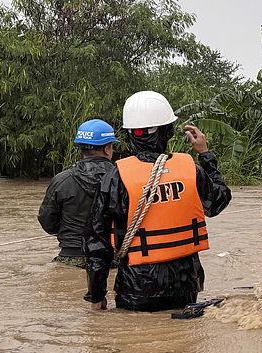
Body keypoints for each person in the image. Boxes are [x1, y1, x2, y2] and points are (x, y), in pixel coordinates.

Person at [83, 91, 231, 311]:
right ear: (169, 131)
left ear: (131, 135)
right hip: (186, 286)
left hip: (136, 288)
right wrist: (205, 155)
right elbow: (219, 201)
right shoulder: (192, 169)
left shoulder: (116, 177)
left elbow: (96, 243)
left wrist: (96, 296)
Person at [38, 119, 119, 268]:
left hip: (70, 257)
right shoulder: (122, 179)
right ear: (107, 149)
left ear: (81, 148)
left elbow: (47, 222)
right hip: (111, 257)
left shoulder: (61, 180)